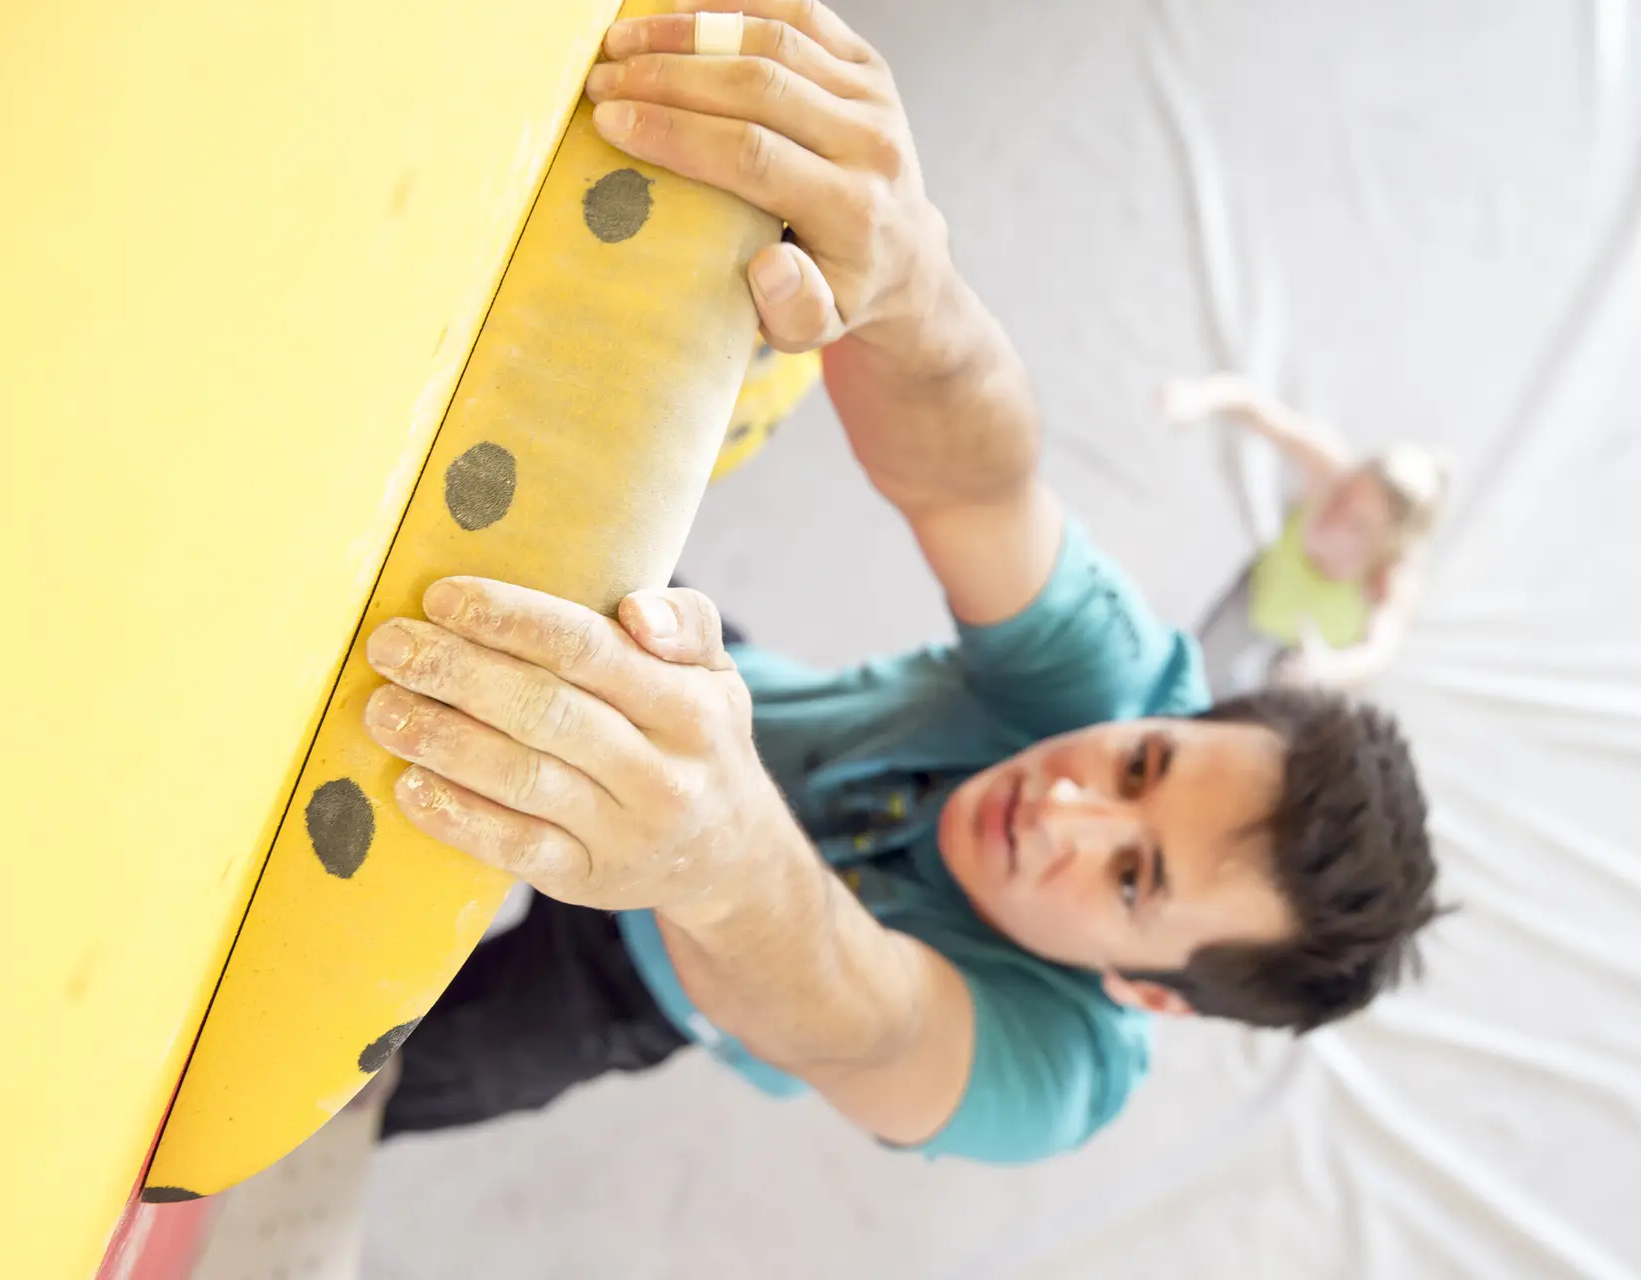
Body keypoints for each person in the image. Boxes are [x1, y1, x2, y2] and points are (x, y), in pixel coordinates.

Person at [359, 0, 1443, 1165]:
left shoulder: (1058, 1070)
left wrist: (715, 855)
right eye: (1143, 763)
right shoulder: (1128, 681)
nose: (1068, 804)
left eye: (1133, 877)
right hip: (720, 690)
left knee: (367, 1094)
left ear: (1152, 991)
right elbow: (977, 487)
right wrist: (914, 284)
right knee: (525, 467)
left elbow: (867, 1018)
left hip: (644, 974)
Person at [1159, 374, 1449, 696]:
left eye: (1357, 522)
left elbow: (1379, 651)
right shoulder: (1329, 470)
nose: (1335, 514)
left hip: (1311, 651)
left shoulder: (1393, 573)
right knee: (1192, 675)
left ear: (1383, 543)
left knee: (1268, 714)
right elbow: (1256, 409)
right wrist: (1196, 399)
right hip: (1261, 595)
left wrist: (1330, 669)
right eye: (1344, 494)